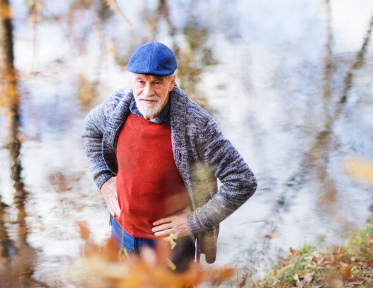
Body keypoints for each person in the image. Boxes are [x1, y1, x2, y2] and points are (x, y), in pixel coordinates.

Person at [82, 42, 257, 269]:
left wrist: (193, 222)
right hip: (121, 233)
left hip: (170, 245)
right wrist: (103, 180)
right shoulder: (116, 108)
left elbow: (242, 182)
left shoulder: (196, 124)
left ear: (172, 82)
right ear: (131, 80)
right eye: (141, 82)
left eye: (157, 83)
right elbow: (90, 131)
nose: (147, 92)